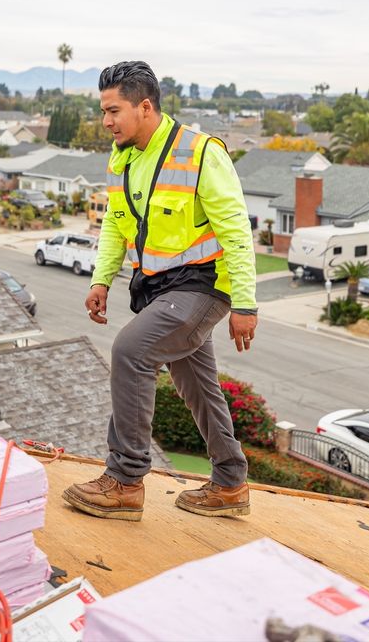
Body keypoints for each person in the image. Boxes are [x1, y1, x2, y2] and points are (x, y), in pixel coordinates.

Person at [62, 61, 258, 522]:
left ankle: (126, 481)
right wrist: (100, 279)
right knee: (197, 385)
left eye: (113, 112)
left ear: (144, 107)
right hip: (157, 287)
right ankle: (231, 484)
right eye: (104, 112)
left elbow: (236, 232)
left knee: (131, 350)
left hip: (204, 285)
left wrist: (245, 304)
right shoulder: (123, 157)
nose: (106, 122)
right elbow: (115, 223)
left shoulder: (201, 153)